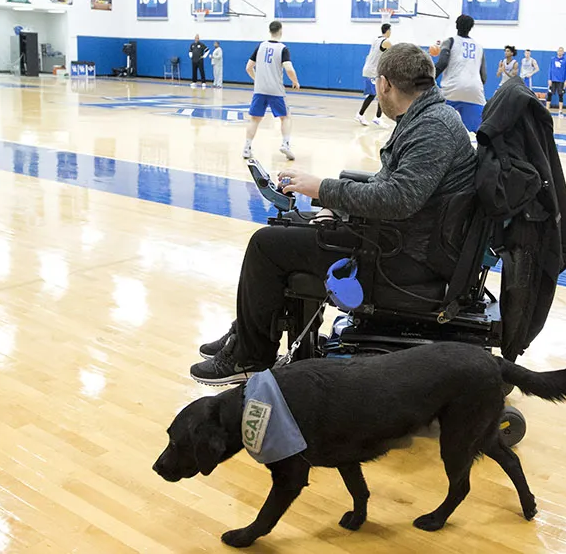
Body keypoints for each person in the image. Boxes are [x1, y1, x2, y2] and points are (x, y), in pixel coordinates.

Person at [189, 43, 478, 384]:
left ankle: (250, 357)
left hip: (399, 257)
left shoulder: (433, 128)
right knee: (292, 225)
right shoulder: (428, 117)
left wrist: (321, 189)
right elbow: (396, 188)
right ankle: (245, 334)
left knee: (266, 244)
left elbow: (398, 199)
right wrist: (335, 202)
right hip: (401, 240)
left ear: (384, 84)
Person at [243, 20, 300, 160]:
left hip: (260, 89)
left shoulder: (260, 46)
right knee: (285, 117)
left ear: (270, 31)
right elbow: (289, 68)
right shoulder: (282, 49)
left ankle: (246, 148)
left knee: (254, 119)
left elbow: (248, 67)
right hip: (275, 90)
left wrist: (257, 80)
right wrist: (295, 81)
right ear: (280, 31)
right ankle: (285, 144)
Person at [434, 14, 487, 133]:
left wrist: (429, 79)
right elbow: (483, 76)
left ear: (456, 25)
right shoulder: (479, 47)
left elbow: (442, 63)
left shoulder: (449, 41)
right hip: (474, 91)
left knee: (440, 127)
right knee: (478, 132)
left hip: (452, 89)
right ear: (471, 28)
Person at [355, 23, 390, 125]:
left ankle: (378, 118)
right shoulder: (386, 42)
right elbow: (395, 51)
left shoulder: (376, 39)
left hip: (374, 70)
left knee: (381, 94)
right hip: (372, 71)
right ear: (388, 31)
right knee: (373, 94)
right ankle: (360, 114)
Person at [546, 47, 566, 116]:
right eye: (559, 51)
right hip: (553, 80)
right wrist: (549, 79)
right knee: (549, 94)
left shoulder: (565, 60)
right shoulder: (553, 59)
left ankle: (560, 111)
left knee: (560, 95)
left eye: (561, 51)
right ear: (557, 52)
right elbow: (550, 69)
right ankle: (547, 109)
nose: (560, 52)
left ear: (563, 52)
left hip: (561, 80)